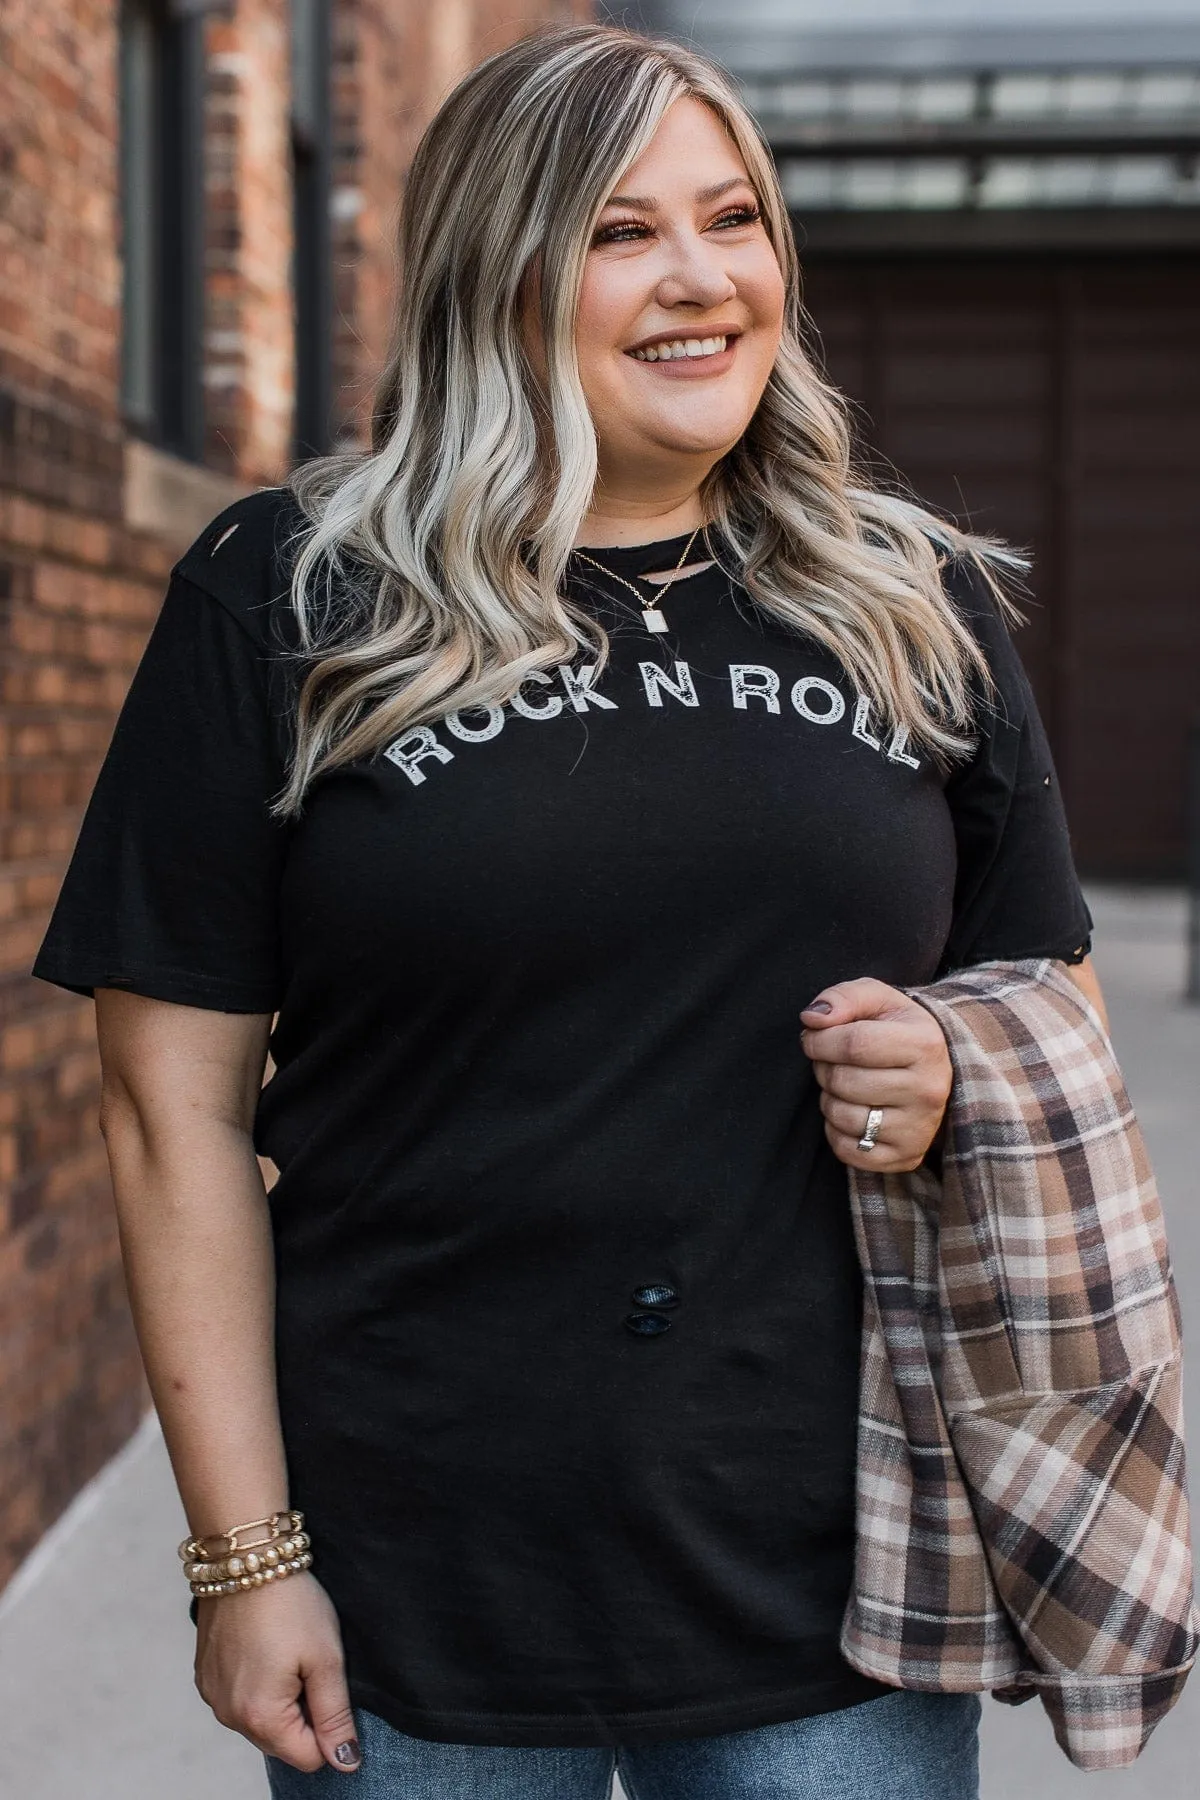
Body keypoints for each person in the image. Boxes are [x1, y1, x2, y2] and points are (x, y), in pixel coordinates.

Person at [32, 23, 1107, 1800]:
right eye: (622, 232)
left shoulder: (906, 597)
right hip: (416, 1577)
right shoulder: (296, 596)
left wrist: (948, 1057)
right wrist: (247, 1556)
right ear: (495, 271)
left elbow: (1036, 983)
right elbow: (174, 1119)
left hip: (833, 1576)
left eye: (735, 217)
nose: (703, 281)